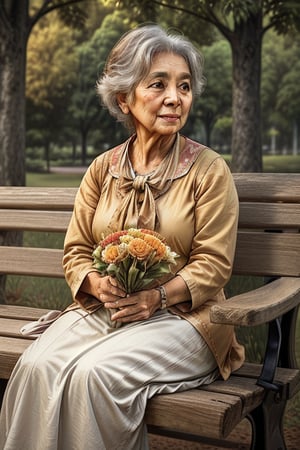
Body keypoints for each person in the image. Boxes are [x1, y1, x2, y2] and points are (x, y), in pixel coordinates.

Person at [0, 24, 244, 450]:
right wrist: (97, 283)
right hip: (108, 312)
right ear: (123, 99)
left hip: (188, 321)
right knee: (37, 366)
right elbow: (76, 250)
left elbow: (214, 264)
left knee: (95, 375)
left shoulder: (209, 170)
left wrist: (157, 297)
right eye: (158, 84)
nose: (175, 97)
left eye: (184, 86)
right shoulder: (102, 169)